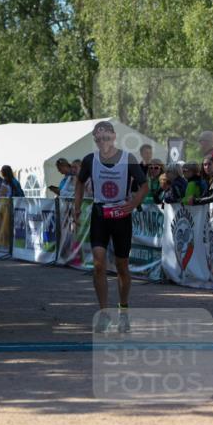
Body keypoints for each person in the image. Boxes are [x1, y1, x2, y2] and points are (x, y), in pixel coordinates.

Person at [73, 121, 149, 333]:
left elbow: (144, 185)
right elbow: (79, 182)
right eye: (99, 139)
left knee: (122, 266)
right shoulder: (90, 160)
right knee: (98, 264)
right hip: (100, 214)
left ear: (114, 137)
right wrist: (76, 208)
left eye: (106, 138)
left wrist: (133, 204)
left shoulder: (127, 159)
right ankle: (104, 313)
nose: (103, 142)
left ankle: (123, 312)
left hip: (121, 216)